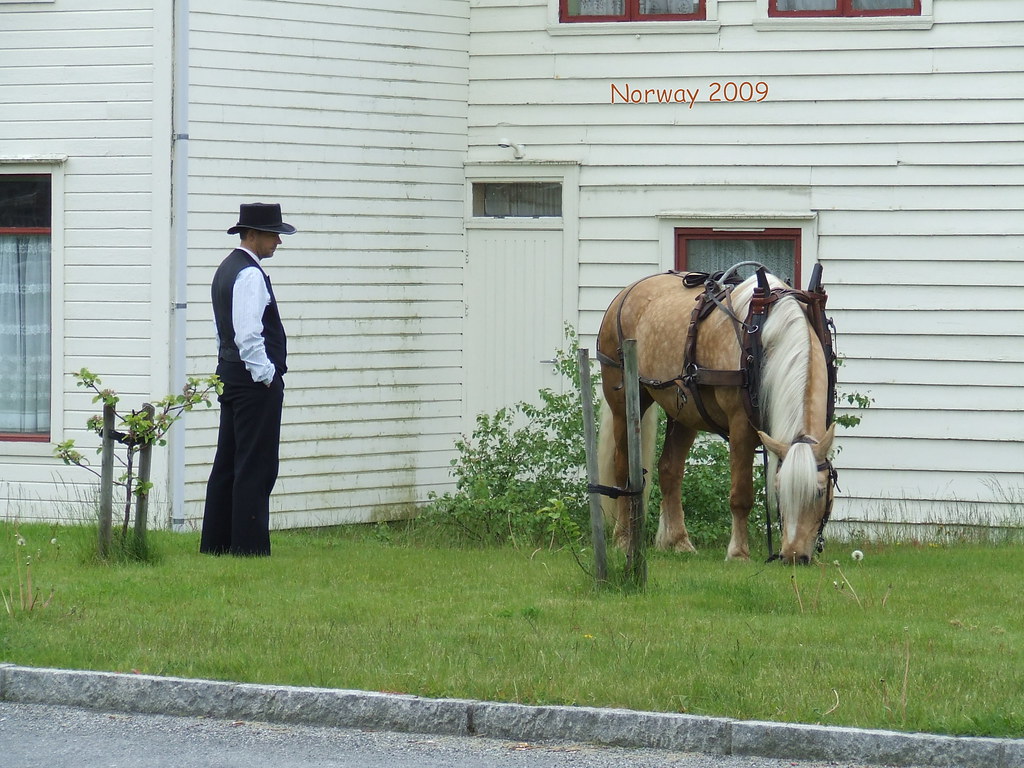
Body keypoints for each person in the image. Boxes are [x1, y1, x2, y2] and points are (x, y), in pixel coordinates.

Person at [200, 202, 296, 556]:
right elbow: (248, 335)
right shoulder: (250, 275)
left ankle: (217, 543)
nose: (278, 243)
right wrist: (267, 375)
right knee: (255, 464)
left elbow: (220, 329)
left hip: (229, 373)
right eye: (273, 235)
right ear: (252, 234)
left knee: (228, 461)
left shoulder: (225, 269)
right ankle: (249, 548)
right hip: (252, 380)